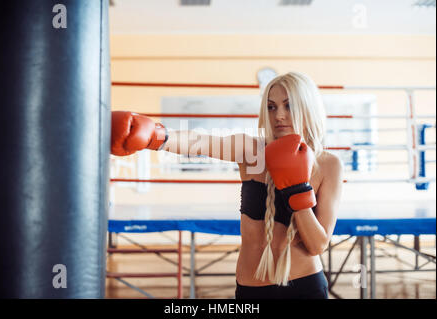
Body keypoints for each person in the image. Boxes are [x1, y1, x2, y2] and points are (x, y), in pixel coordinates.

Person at [111, 71, 343, 299]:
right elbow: (200, 143)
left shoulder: (328, 164)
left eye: (289, 105)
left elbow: (317, 245)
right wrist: (155, 135)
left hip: (305, 285)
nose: (279, 115)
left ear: (307, 107)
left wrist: (297, 190)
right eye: (271, 107)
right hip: (252, 288)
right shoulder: (252, 151)